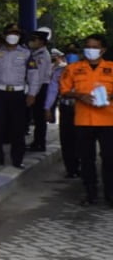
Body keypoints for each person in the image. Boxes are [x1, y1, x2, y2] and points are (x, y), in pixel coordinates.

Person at [58, 34, 113, 206]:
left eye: (95, 47)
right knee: (86, 159)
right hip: (83, 120)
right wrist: (79, 95)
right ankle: (90, 194)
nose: (91, 50)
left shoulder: (111, 68)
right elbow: (64, 89)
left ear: (103, 50)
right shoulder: (73, 68)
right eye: (88, 46)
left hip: (108, 120)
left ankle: (110, 195)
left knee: (110, 159)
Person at [0, 22, 30, 168]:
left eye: (16, 33)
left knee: (18, 128)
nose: (13, 36)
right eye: (10, 32)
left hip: (18, 93)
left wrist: (32, 93)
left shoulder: (26, 54)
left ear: (20, 36)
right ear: (4, 35)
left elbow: (33, 75)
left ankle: (17, 159)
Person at [47, 44, 82, 178]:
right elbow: (52, 90)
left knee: (81, 139)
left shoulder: (84, 70)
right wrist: (47, 107)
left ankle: (82, 165)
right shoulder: (59, 72)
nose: (71, 55)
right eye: (69, 52)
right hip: (66, 108)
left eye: (74, 52)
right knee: (67, 139)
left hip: (81, 108)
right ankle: (71, 168)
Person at [25, 28, 53, 151]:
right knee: (37, 117)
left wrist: (33, 93)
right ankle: (38, 141)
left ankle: (40, 143)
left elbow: (39, 76)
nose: (32, 42)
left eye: (34, 40)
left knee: (39, 118)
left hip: (40, 88)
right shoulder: (35, 53)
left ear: (41, 42)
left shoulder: (42, 56)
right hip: (37, 88)